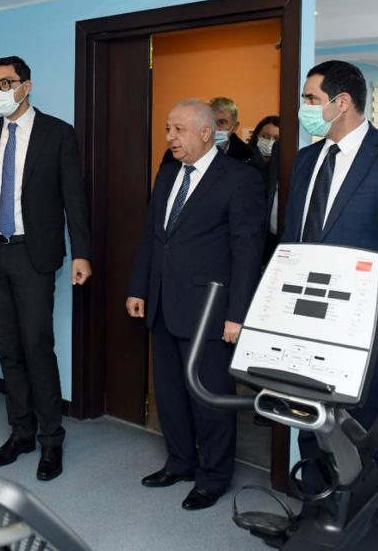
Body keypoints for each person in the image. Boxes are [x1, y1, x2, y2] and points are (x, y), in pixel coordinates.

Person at [281, 61, 378, 483]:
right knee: (311, 424)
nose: (304, 107)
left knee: (366, 434)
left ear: (342, 102)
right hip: (306, 319)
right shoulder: (307, 160)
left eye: (311, 99)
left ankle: (373, 517)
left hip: (368, 326)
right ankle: (317, 509)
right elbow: (293, 242)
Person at [0, 55, 91, 481]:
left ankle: (52, 439)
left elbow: (74, 197)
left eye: (6, 83)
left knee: (36, 347)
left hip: (34, 255)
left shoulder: (57, 133)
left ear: (26, 86)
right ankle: (21, 432)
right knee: (9, 349)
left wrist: (82, 252)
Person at [126, 99, 266, 511]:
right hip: (163, 303)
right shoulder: (169, 172)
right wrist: (138, 288)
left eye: (179, 130)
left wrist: (237, 315)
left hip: (209, 310)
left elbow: (247, 252)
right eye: (168, 129)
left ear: (207, 133)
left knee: (210, 399)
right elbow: (154, 236)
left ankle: (214, 476)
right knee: (169, 394)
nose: (170, 137)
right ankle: (180, 462)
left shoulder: (240, 179)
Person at [210, 96, 265, 172]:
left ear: (234, 127)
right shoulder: (193, 152)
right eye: (210, 121)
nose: (215, 128)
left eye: (222, 122)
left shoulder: (250, 156)